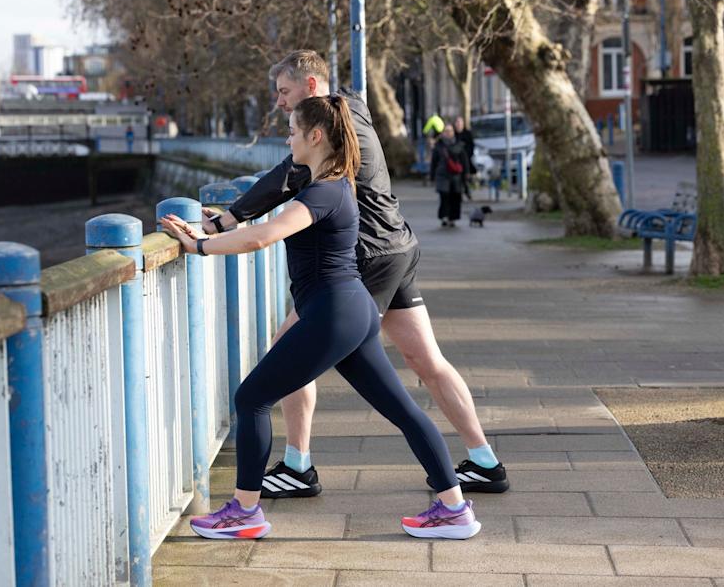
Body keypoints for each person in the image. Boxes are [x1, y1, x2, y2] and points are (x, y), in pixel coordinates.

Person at [160, 95, 481, 540]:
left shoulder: (325, 190)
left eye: (292, 130)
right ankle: (454, 510)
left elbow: (264, 237)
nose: (287, 138)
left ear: (315, 136)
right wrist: (220, 224)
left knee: (251, 398)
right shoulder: (330, 184)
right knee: (404, 412)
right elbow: (269, 199)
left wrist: (199, 245)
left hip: (336, 313)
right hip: (351, 311)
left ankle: (244, 512)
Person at [200, 50, 509, 497]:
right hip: (397, 248)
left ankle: (297, 466)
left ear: (310, 86)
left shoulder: (332, 131)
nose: (280, 104)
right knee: (425, 361)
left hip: (366, 260)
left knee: (289, 350)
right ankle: (483, 461)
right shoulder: (354, 108)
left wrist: (224, 223)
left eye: (285, 93)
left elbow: (287, 176)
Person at [431, 125, 470, 227]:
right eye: (446, 131)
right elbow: (434, 161)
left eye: (450, 131)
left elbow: (464, 160)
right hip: (442, 175)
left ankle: (452, 218)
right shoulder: (439, 146)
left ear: (453, 132)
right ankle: (444, 216)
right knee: (444, 196)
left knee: (455, 197)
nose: (448, 133)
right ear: (443, 133)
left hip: (456, 176)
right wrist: (432, 175)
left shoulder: (459, 145)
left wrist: (466, 173)